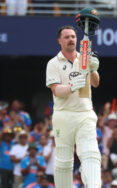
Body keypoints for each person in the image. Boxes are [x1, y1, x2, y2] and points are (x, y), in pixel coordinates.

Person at [45, 24, 101, 187]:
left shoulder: (84, 59)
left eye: (73, 37)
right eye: (67, 37)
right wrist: (71, 87)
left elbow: (95, 83)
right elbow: (56, 90)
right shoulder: (53, 63)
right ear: (59, 41)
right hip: (63, 115)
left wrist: (93, 69)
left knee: (90, 153)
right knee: (63, 160)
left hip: (84, 113)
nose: (71, 40)